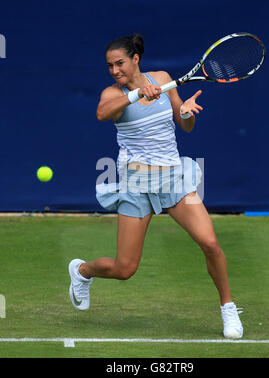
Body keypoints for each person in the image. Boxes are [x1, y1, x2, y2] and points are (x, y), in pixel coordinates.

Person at [68, 34, 243, 339]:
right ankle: (82, 271)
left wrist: (186, 113)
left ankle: (228, 308)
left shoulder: (162, 79)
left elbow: (183, 124)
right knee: (125, 269)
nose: (114, 70)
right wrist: (138, 95)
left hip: (173, 179)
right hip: (136, 185)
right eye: (109, 65)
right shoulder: (112, 93)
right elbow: (102, 114)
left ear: (136, 59)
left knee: (210, 243)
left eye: (119, 63)